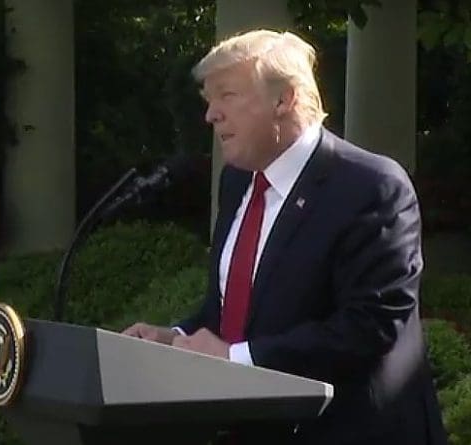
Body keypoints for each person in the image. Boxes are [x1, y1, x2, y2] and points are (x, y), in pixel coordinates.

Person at [123, 30, 446, 445]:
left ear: (284, 99)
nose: (211, 115)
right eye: (209, 100)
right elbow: (235, 311)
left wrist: (236, 359)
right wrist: (176, 339)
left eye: (227, 96)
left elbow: (371, 325)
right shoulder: (238, 181)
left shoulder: (371, 185)